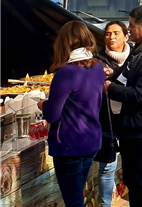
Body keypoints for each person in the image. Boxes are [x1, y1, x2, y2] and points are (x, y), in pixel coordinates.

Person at [39, 21, 105, 207]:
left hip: (70, 145)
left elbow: (52, 114)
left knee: (73, 201)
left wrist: (42, 103)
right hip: (91, 140)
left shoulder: (67, 73)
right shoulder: (97, 68)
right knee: (77, 197)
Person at [106, 6, 142, 207]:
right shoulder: (141, 50)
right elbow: (127, 75)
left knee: (139, 179)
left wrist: (110, 88)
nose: (129, 30)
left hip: (140, 128)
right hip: (138, 127)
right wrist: (112, 75)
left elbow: (141, 96)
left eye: (132, 26)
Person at [96, 21, 132, 207]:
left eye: (116, 33)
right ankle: (105, 204)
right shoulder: (98, 60)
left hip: (132, 118)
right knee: (107, 166)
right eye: (108, 34)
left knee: (133, 165)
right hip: (107, 119)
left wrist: (115, 75)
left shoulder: (136, 57)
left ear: (126, 36)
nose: (112, 37)